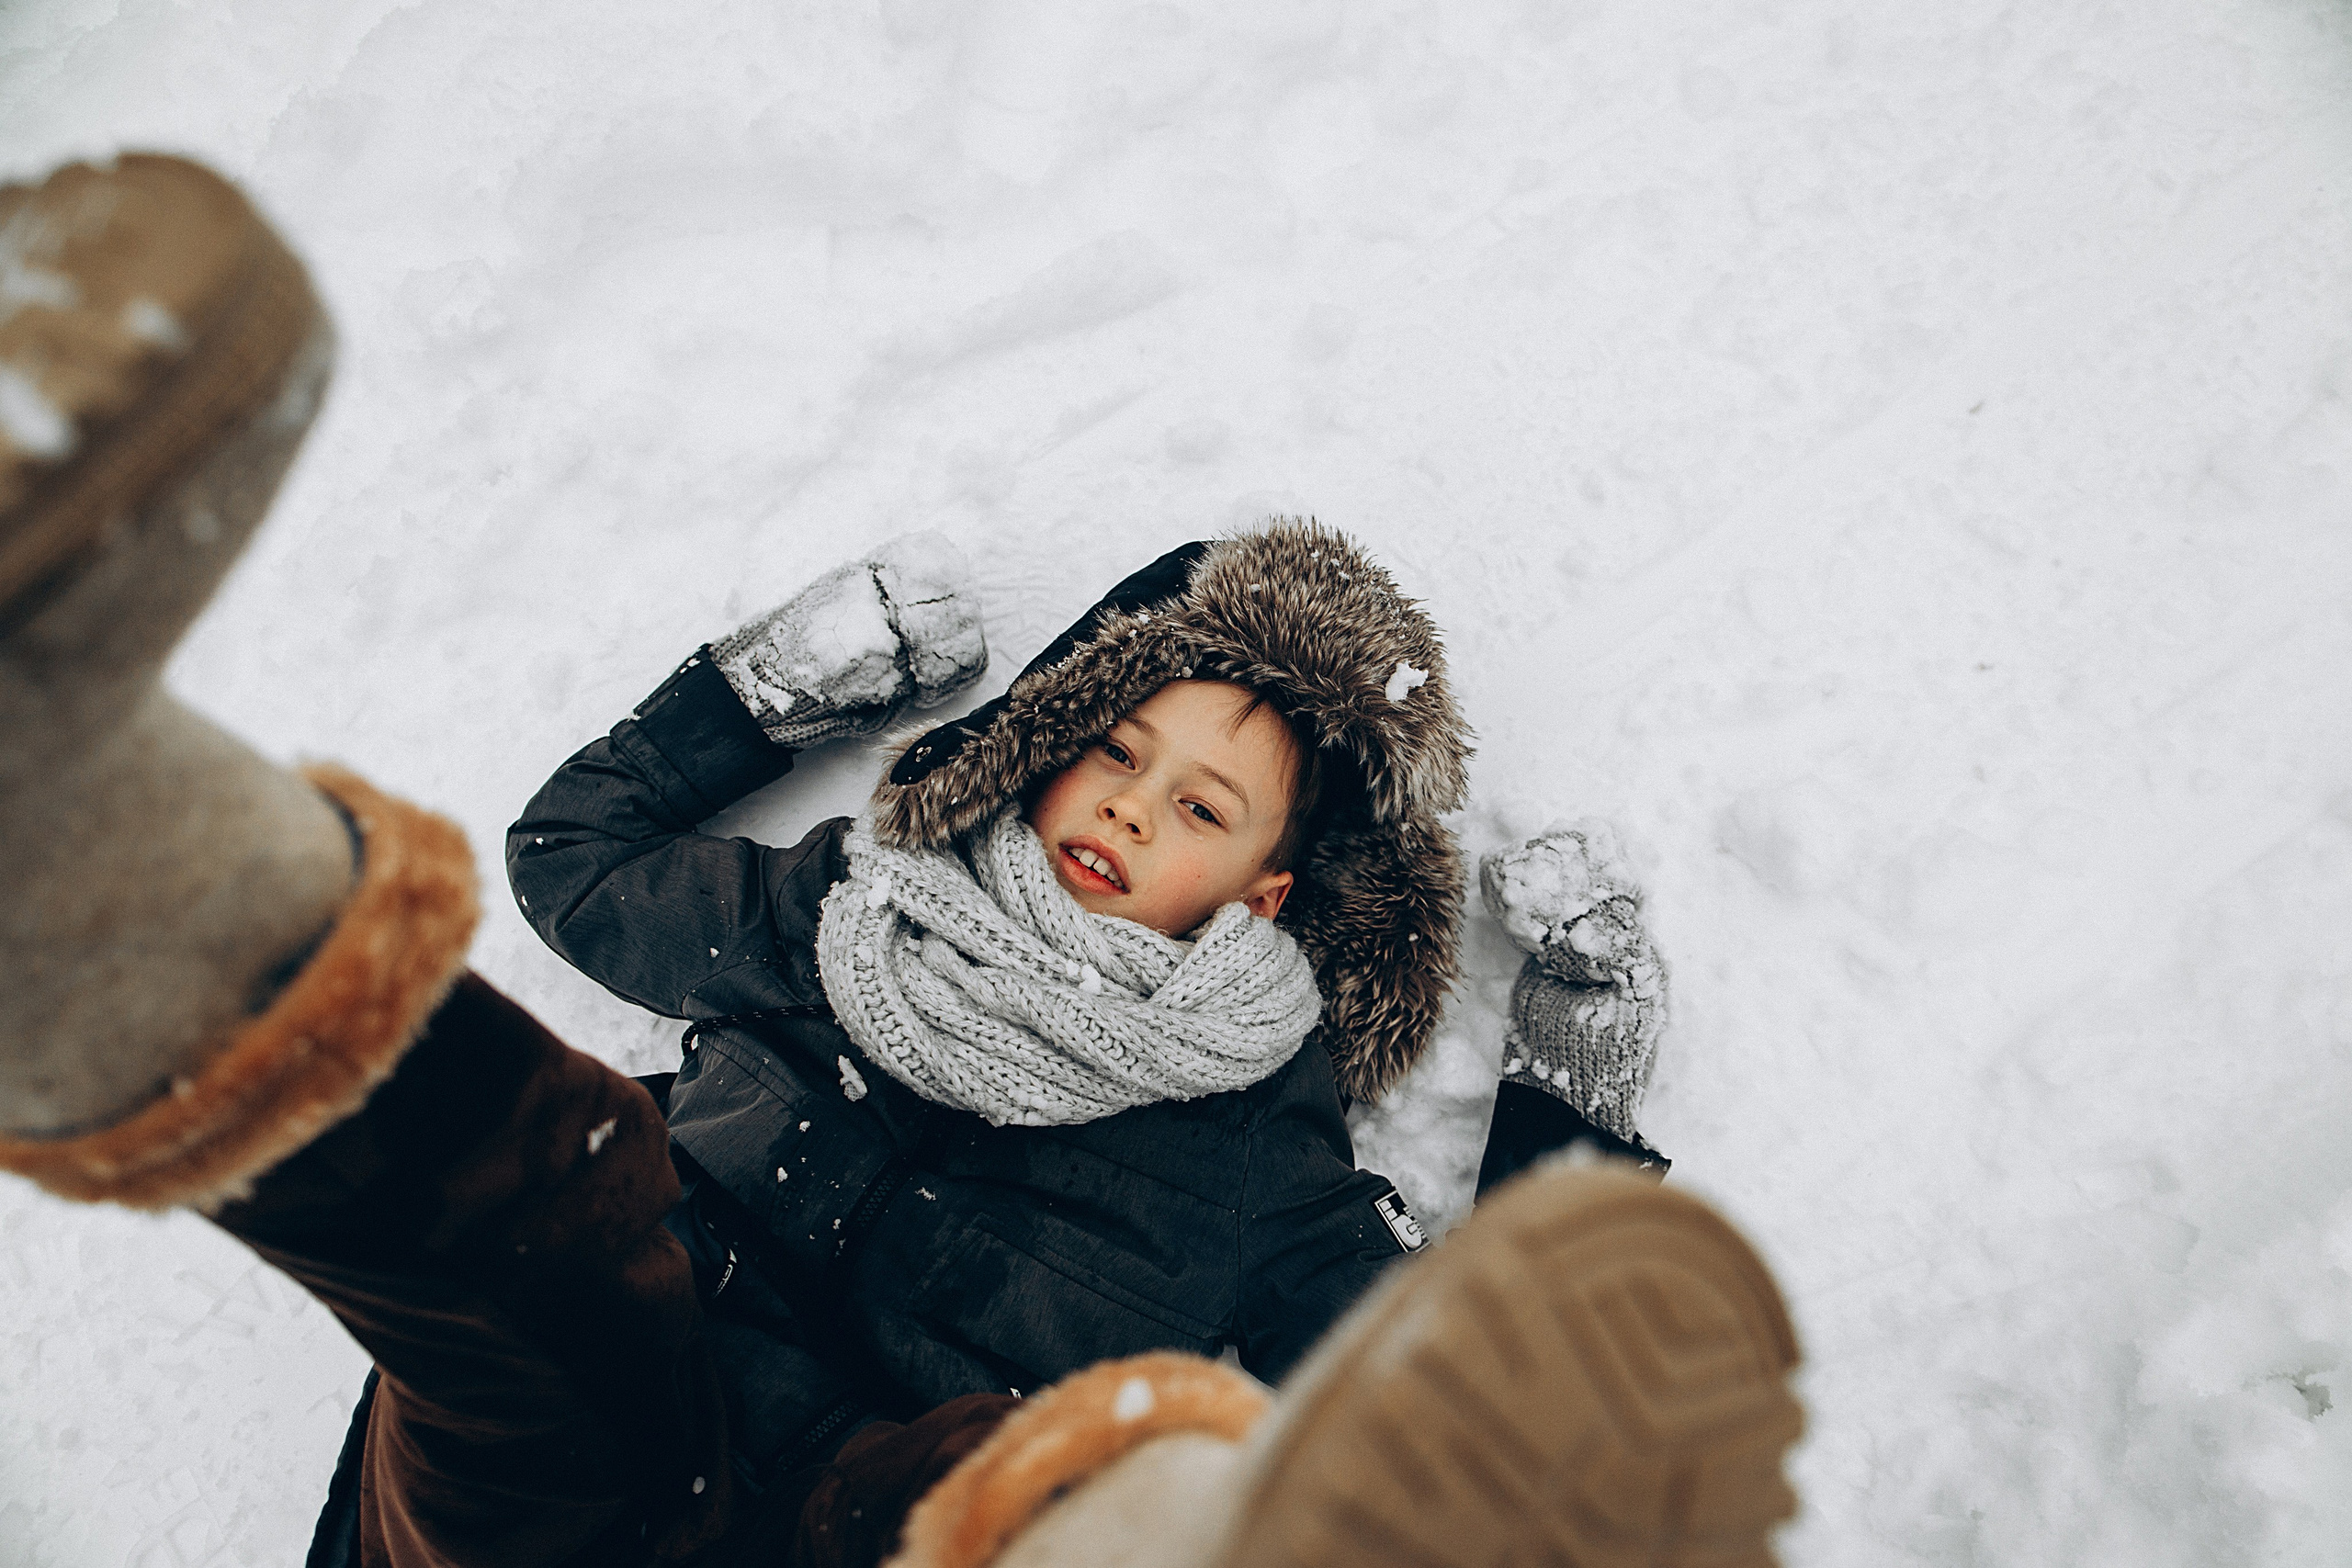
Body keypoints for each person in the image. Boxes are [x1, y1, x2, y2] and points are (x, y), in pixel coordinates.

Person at [0, 152, 1804, 1568]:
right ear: (1031, 760)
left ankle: (1169, 1530)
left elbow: (1460, 1336)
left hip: (900, 1523)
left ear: (1264, 894)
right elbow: (574, 858)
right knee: (539, 1210)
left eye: (1197, 808)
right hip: (578, 1467)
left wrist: (1565, 1071)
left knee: (1033, 1485)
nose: (1125, 805)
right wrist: (767, 692)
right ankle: (95, 856)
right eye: (1111, 750)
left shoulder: (1250, 1166)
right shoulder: (836, 921)